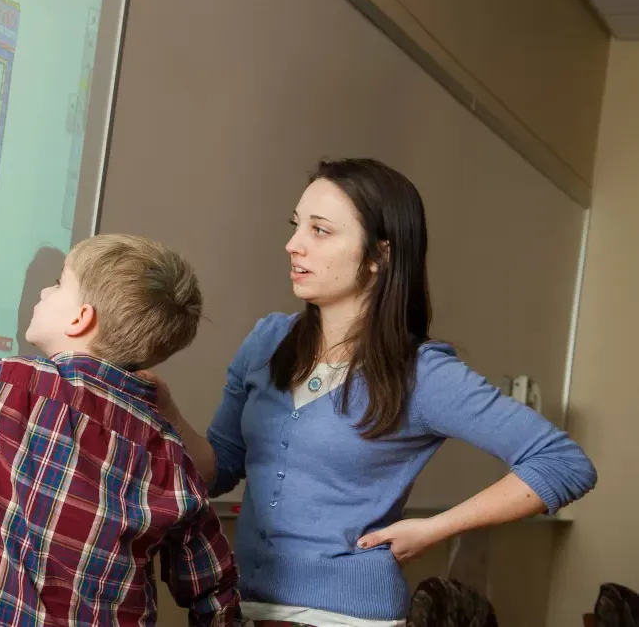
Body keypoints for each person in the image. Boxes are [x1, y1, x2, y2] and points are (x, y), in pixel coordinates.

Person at [148, 158, 597, 627]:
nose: (293, 245)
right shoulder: (266, 340)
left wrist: (435, 529)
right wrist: (168, 411)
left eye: (320, 231)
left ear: (379, 255)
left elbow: (563, 463)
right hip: (241, 605)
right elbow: (218, 469)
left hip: (349, 616)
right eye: (296, 225)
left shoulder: (423, 373)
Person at [0, 197, 241, 627]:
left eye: (58, 284)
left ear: (80, 319)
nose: (44, 290)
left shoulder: (11, 392)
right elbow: (215, 592)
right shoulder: (172, 459)